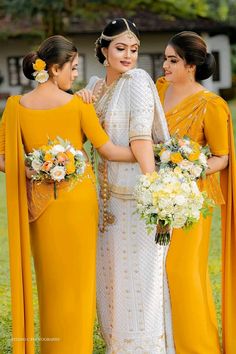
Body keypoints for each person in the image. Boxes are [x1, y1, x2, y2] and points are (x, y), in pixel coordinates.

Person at [0, 35, 138, 354]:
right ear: (54, 68)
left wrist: (33, 170)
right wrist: (148, 153)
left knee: (51, 283)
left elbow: (4, 159)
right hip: (78, 203)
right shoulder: (77, 105)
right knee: (78, 283)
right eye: (73, 68)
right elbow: (110, 151)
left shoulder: (15, 106)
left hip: (40, 206)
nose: (75, 75)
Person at [78, 18, 175, 353]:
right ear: (103, 50)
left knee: (140, 282)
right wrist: (80, 103)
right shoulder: (94, 87)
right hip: (104, 204)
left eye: (134, 49)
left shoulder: (136, 81)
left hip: (136, 202)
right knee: (112, 285)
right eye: (120, 48)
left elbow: (141, 140)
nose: (129, 55)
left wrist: (157, 199)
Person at [156, 31, 236, 354]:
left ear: (191, 65)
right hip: (156, 197)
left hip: (192, 201)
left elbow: (224, 156)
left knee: (183, 271)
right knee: (159, 273)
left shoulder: (210, 105)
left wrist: (191, 167)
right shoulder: (158, 91)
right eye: (165, 59)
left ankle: (197, 347)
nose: (165, 65)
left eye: (172, 60)